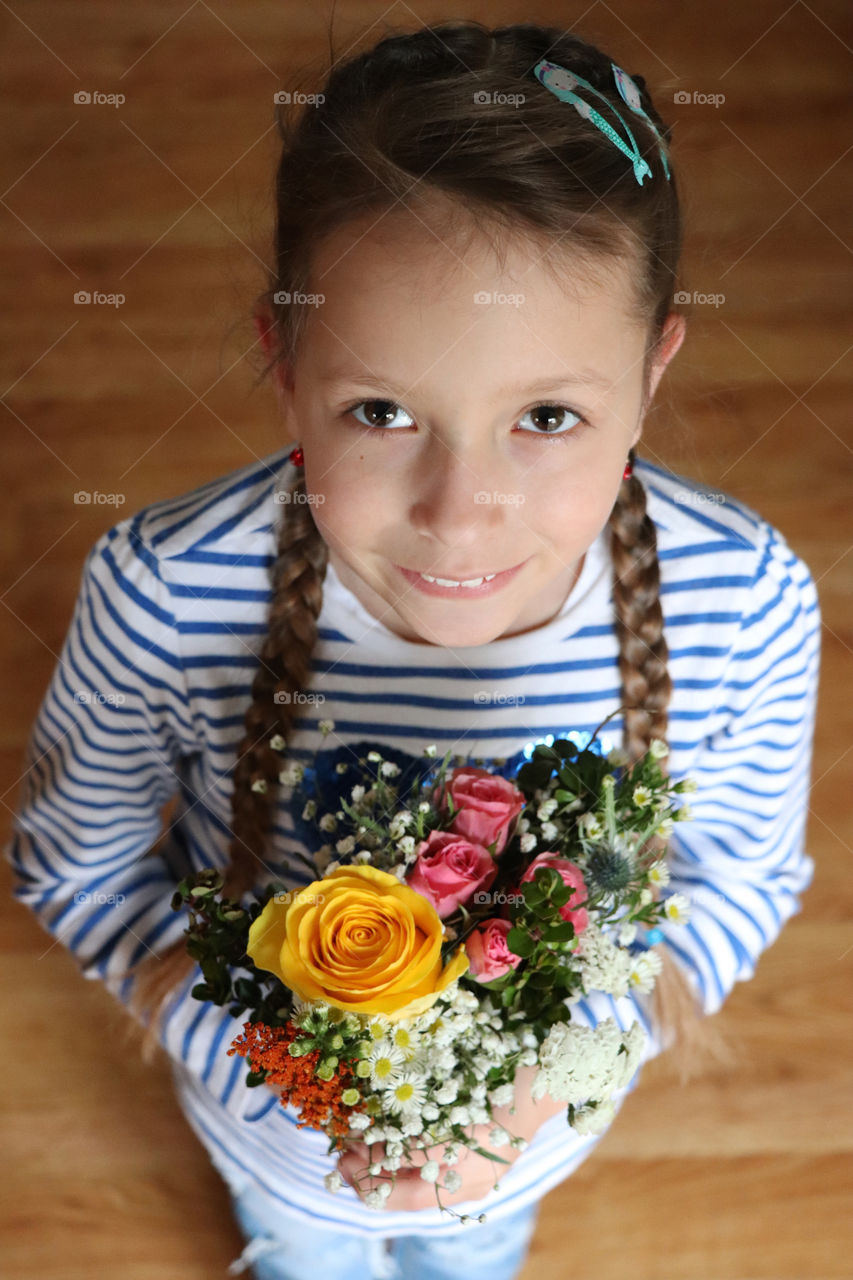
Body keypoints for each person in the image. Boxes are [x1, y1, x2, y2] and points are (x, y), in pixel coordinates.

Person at [5, 19, 820, 1280]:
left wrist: (538, 1090)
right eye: (379, 411)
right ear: (284, 359)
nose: (456, 510)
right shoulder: (167, 591)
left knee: (478, 1250)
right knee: (302, 1252)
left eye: (546, 415)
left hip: (535, 1144)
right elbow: (75, 864)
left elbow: (740, 880)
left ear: (652, 366)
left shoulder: (746, 597)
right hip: (269, 1141)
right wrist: (274, 1071)